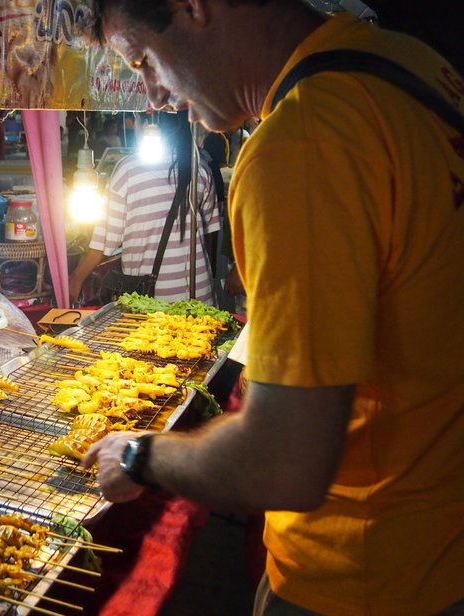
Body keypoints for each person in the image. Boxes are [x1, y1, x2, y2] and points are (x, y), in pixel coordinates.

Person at [81, 1, 464, 615]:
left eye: (144, 59)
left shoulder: (302, 142)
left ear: (193, 8)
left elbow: (284, 461)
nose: (152, 94)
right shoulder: (412, 66)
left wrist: (140, 454)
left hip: (364, 577)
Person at [69, 113, 219, 304]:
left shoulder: (128, 170)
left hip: (152, 303)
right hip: (200, 297)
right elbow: (210, 236)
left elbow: (104, 242)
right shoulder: (200, 168)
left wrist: (76, 277)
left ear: (149, 125)